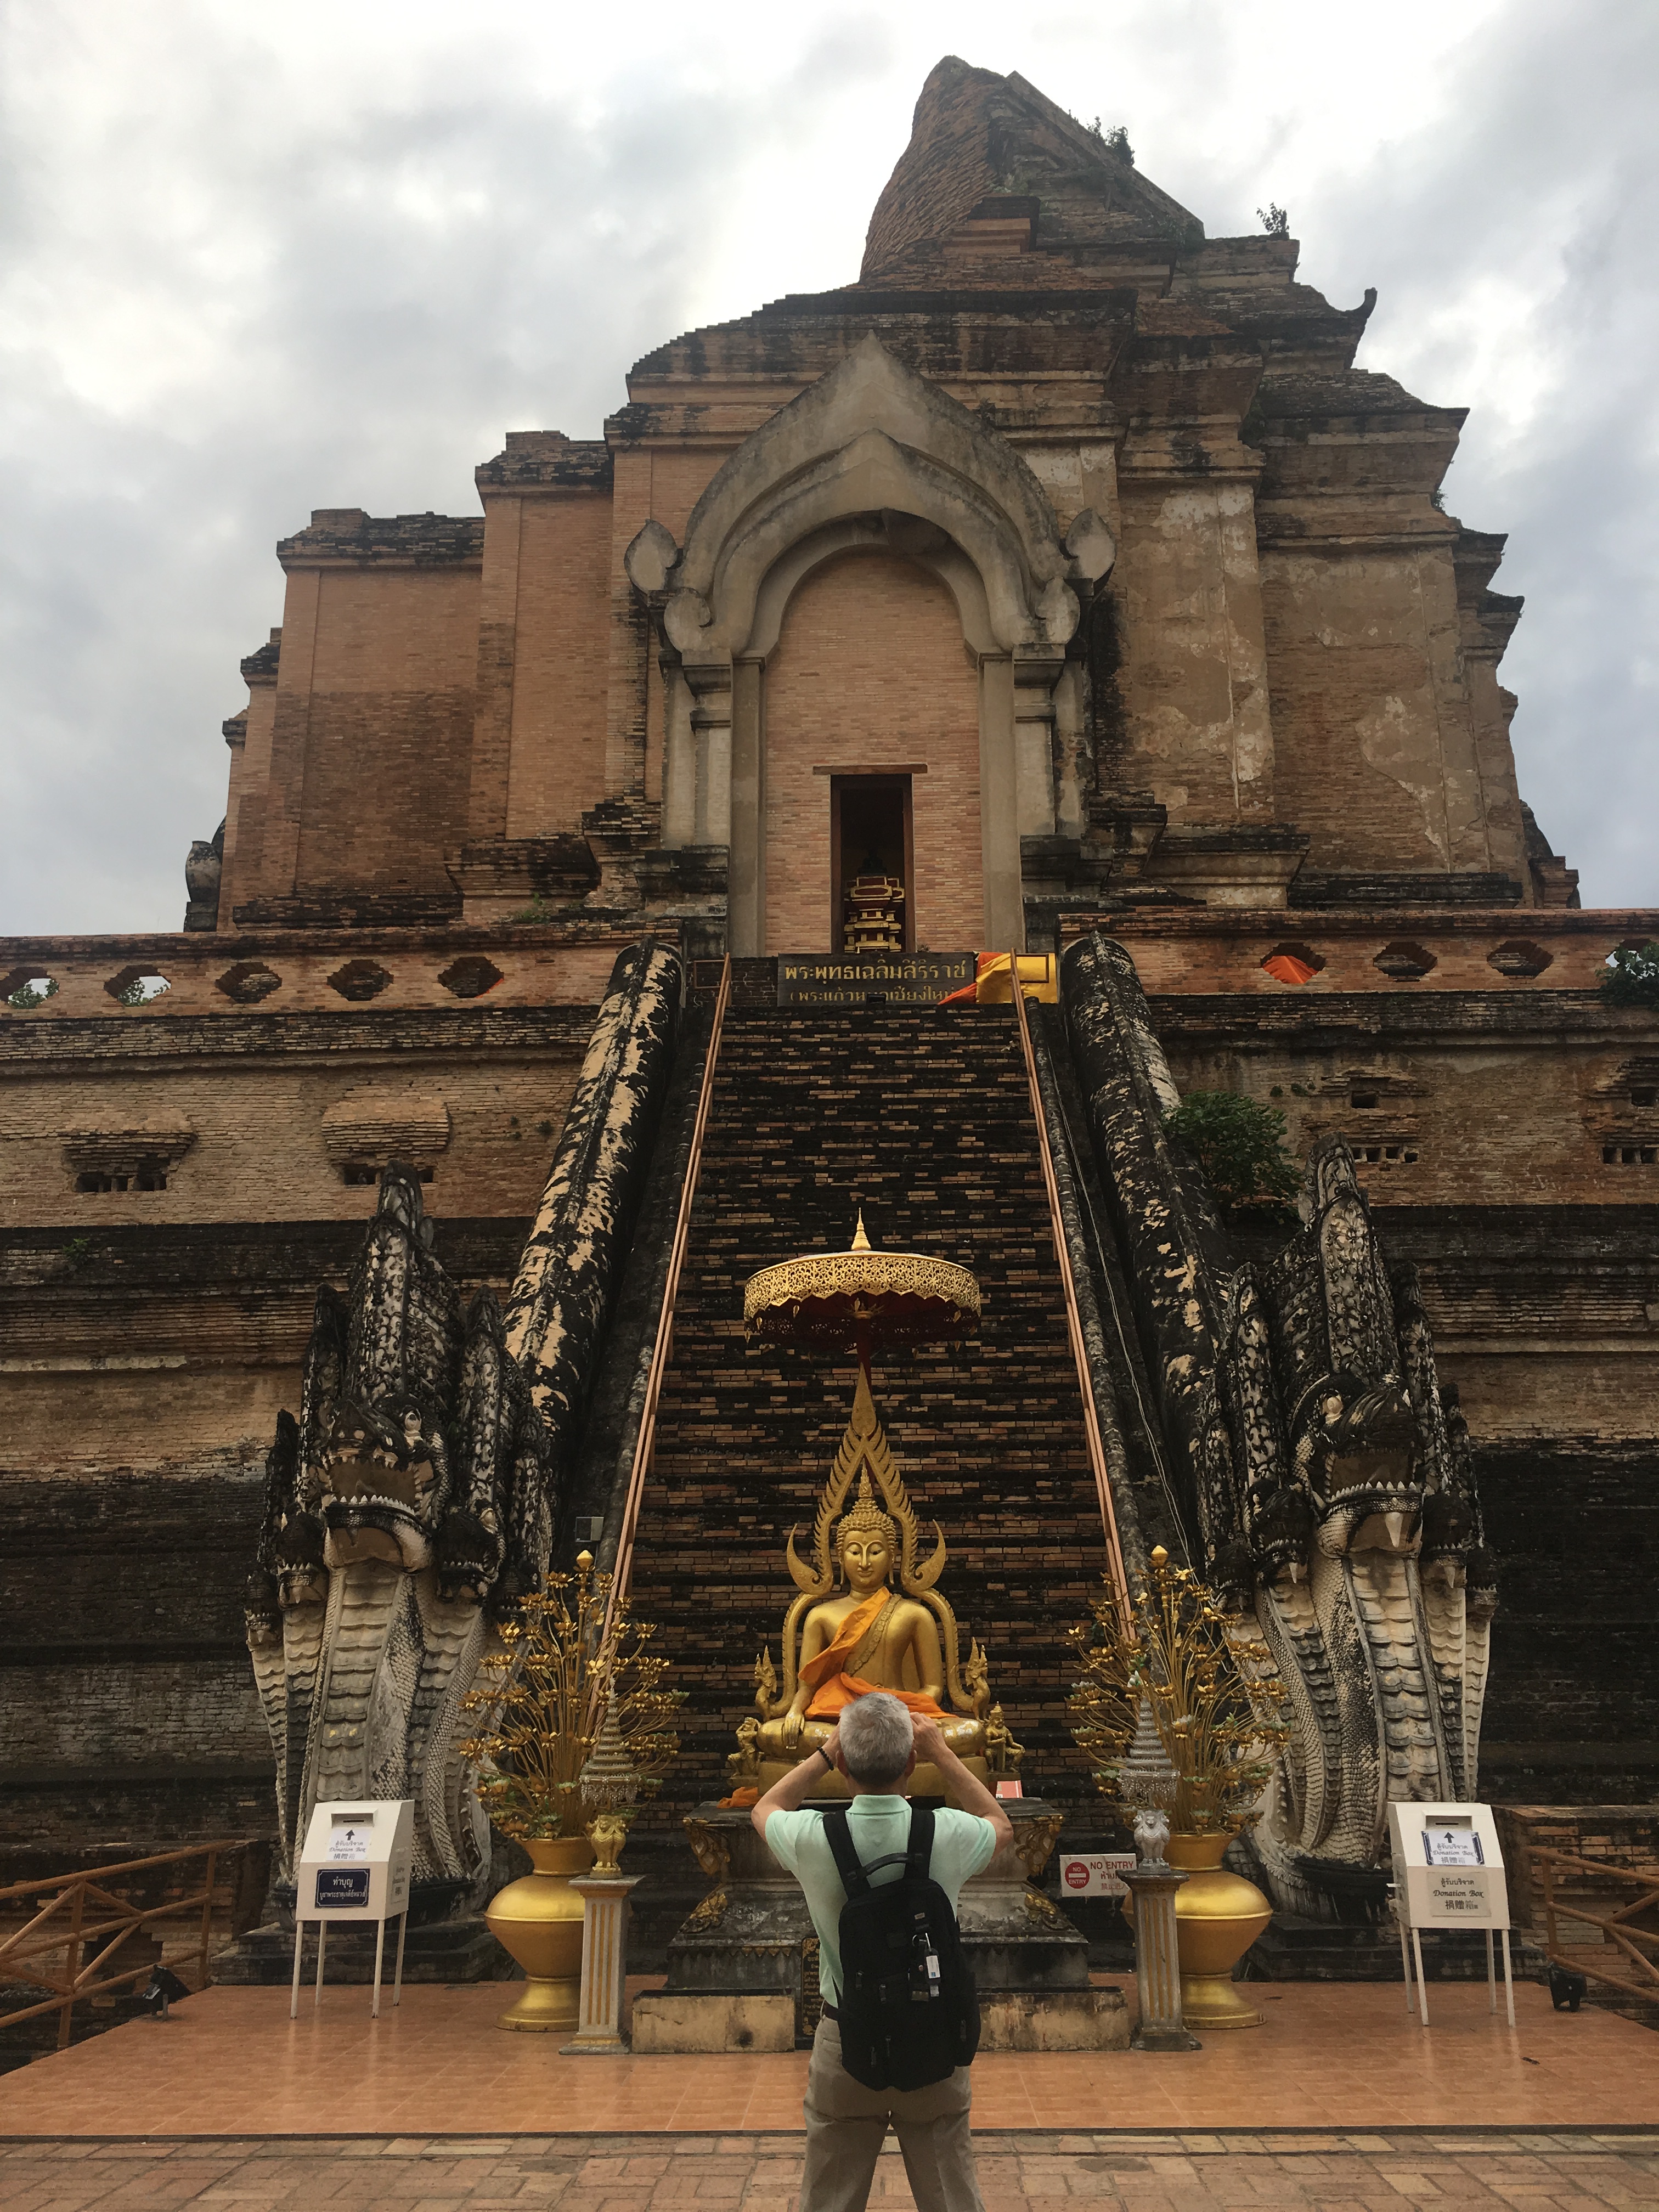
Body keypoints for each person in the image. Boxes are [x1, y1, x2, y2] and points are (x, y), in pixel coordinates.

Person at [752, 1692, 1013, 2212]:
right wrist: (943, 1751)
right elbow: (1002, 1826)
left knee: (829, 2196)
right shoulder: (948, 1832)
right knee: (950, 2192)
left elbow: (765, 1807)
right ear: (912, 1762)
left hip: (847, 2037)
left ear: (844, 1763)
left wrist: (824, 1753)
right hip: (932, 2035)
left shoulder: (810, 1836)